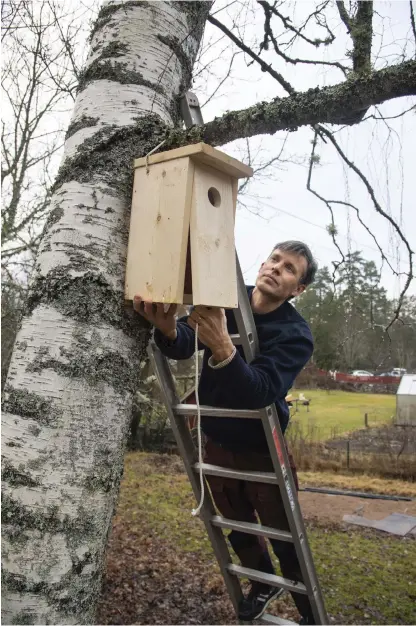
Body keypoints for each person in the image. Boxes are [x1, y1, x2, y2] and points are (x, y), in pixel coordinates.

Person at [133, 240, 318, 624]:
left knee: (282, 529)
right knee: (235, 519)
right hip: (216, 438)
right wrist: (169, 329)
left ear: (298, 289)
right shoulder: (226, 298)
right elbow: (186, 340)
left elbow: (261, 391)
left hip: (260, 445)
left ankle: (305, 606)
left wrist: (224, 349)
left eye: (288, 269)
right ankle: (262, 583)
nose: (274, 268)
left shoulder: (295, 334)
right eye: (274, 260)